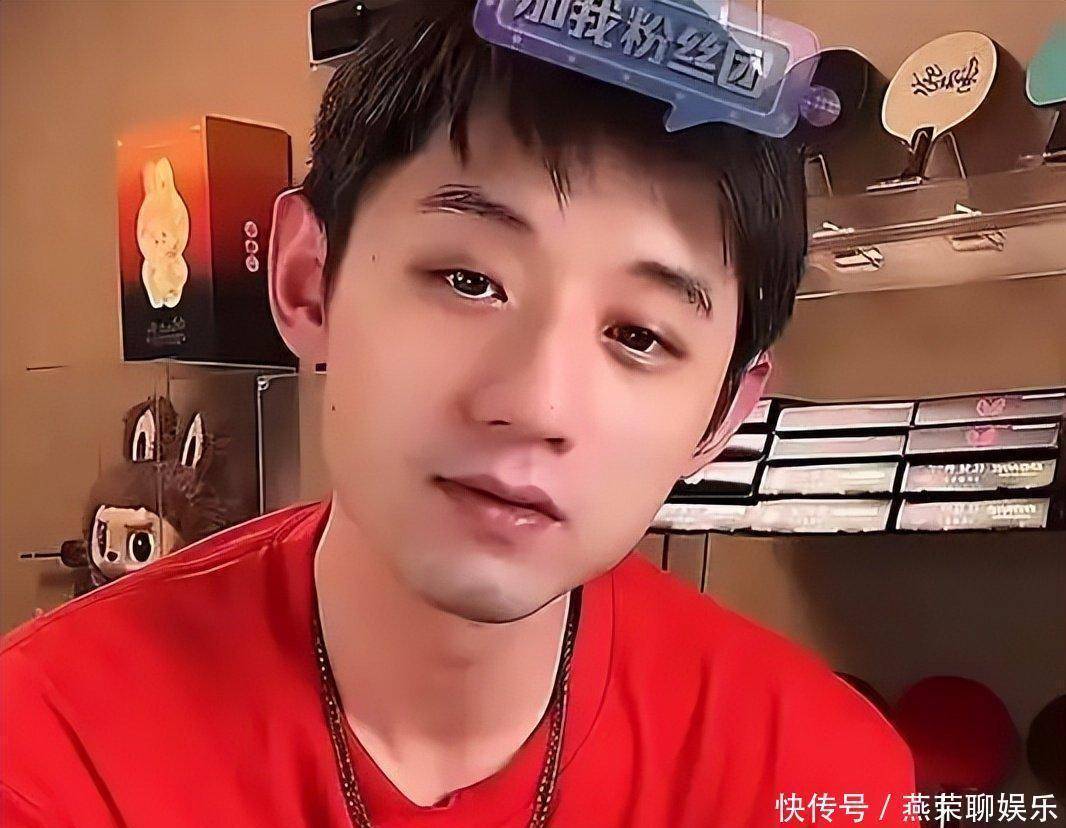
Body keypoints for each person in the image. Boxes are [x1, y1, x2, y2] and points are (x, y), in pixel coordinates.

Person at [1, 2, 915, 825]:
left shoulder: (814, 775)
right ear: (308, 281)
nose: (536, 403)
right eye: (468, 281)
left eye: (639, 336)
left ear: (721, 416)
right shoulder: (49, 750)